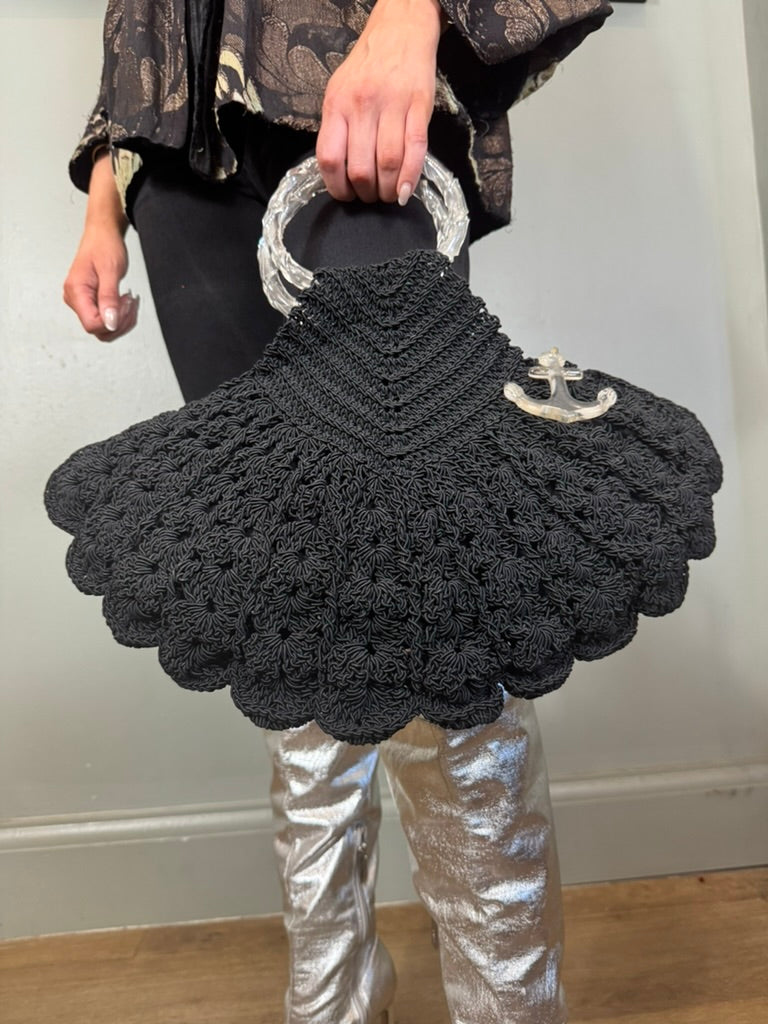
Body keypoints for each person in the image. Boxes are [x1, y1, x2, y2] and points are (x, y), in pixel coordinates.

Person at [61, 2, 614, 1021]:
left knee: (433, 591)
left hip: (348, 83)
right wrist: (106, 198)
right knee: (286, 587)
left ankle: (508, 1000)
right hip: (179, 164)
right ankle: (337, 990)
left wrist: (411, 15)